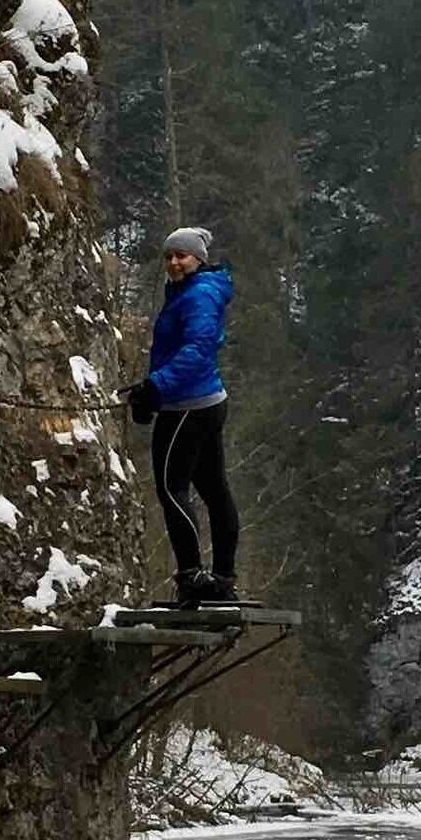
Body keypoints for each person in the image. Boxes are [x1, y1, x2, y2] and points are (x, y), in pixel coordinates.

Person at [128, 225, 240, 611]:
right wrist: (153, 391)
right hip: (204, 402)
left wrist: (155, 387)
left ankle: (192, 578)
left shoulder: (199, 295)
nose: (174, 262)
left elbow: (197, 350)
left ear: (199, 259)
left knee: (171, 489)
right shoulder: (195, 290)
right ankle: (222, 579)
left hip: (187, 408)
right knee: (214, 490)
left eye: (182, 256)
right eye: (169, 256)